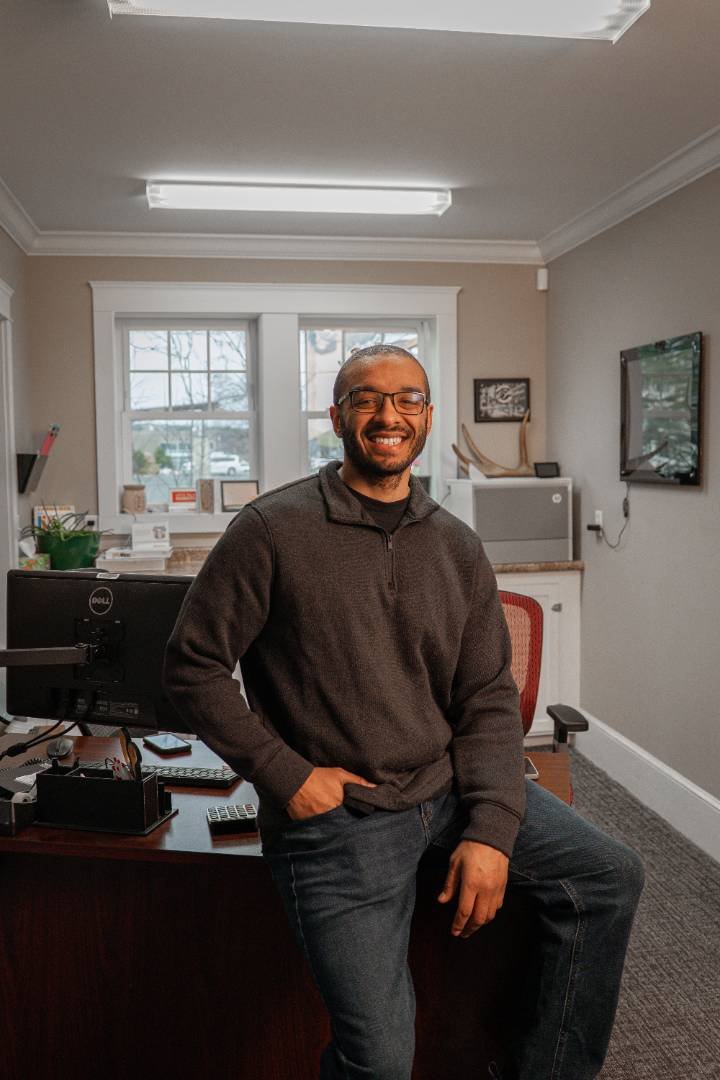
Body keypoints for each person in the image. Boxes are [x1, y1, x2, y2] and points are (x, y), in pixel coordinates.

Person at [163, 344, 644, 1080]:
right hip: (338, 821)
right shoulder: (271, 531)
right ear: (338, 416)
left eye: (408, 400)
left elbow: (486, 699)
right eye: (366, 398)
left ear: (425, 417)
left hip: (444, 789)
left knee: (609, 875)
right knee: (382, 1062)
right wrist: (285, 774)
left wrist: (490, 828)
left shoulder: (457, 547)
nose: (388, 415)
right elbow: (190, 668)